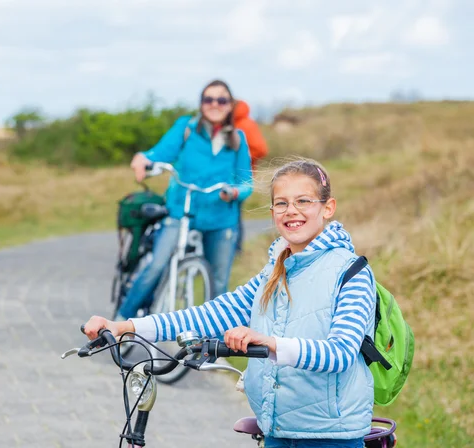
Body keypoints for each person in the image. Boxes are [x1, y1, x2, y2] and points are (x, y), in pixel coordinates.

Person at [85, 158, 376, 447]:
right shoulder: (274, 270)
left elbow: (340, 354)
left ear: (328, 208)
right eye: (281, 203)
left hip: (331, 437)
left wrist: (270, 342)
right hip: (277, 430)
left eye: (304, 201)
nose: (292, 211)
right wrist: (126, 326)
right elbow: (213, 314)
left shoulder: (350, 272)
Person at [116, 79, 254, 320]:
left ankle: (212, 341)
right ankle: (120, 322)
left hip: (221, 218)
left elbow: (246, 182)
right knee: (156, 266)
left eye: (221, 100)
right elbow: (160, 153)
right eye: (208, 99)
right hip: (181, 211)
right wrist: (144, 159)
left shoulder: (238, 139)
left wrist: (233, 192)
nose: (214, 104)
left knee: (218, 282)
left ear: (230, 105)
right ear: (201, 104)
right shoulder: (186, 128)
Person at [233, 99, 268, 253]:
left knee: (235, 213)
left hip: (240, 176)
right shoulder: (233, 124)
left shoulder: (246, 124)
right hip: (231, 176)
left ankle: (236, 249)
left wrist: (242, 158)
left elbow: (260, 149)